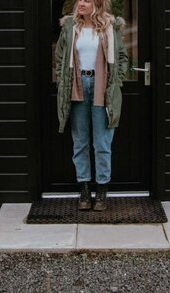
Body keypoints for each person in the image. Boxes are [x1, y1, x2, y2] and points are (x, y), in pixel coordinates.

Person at [55, 0, 128, 211]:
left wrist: (116, 81)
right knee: (80, 142)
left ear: (98, 4)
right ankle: (84, 189)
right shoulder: (70, 27)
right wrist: (63, 81)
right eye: (79, 0)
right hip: (77, 86)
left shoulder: (110, 28)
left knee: (102, 144)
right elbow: (60, 58)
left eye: (86, 0)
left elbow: (122, 56)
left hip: (102, 87)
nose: (81, 4)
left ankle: (102, 191)